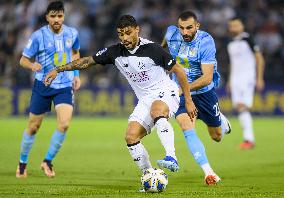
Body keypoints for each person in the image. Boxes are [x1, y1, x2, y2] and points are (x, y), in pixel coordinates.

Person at [44, 14, 197, 183]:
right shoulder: (115, 52)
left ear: (137, 30)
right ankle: (148, 176)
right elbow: (88, 61)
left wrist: (188, 101)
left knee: (157, 110)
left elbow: (180, 72)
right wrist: (59, 69)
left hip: (167, 92)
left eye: (128, 33)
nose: (124, 38)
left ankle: (171, 156)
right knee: (131, 137)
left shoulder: (152, 49)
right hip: (145, 98)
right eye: (121, 34)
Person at [161, 10, 231, 185]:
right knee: (186, 127)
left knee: (216, 136)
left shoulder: (206, 42)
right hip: (181, 94)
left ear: (197, 26)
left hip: (204, 92)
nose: (185, 32)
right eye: (181, 28)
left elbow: (207, 78)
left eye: (189, 28)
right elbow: (162, 47)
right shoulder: (171, 33)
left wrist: (183, 88)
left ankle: (219, 119)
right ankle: (209, 172)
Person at [16, 1, 81, 178]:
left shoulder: (72, 33)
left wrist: (76, 74)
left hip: (64, 85)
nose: (56, 19)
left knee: (64, 124)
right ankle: (22, 163)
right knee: (33, 127)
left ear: (64, 16)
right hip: (42, 86)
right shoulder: (38, 36)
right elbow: (23, 59)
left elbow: (75, 54)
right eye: (53, 16)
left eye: (59, 16)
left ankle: (47, 161)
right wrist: (32, 65)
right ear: (47, 17)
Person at [227, 17, 265, 149]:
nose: (234, 28)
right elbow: (233, 64)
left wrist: (259, 78)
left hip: (248, 77)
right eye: (232, 26)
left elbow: (259, 59)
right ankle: (248, 139)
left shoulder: (248, 39)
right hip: (235, 79)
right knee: (239, 107)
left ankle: (249, 140)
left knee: (243, 106)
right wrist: (230, 81)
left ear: (242, 26)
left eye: (237, 25)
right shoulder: (230, 43)